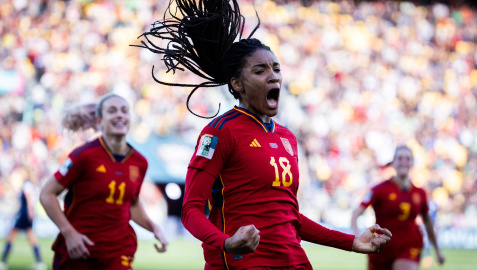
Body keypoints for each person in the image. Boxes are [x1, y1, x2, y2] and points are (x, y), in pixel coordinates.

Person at [136, 1, 392, 269]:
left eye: (276, 69)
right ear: (237, 83)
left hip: (294, 261)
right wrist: (226, 242)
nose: (274, 77)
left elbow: (290, 218)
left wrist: (351, 242)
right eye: (260, 71)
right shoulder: (220, 132)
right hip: (244, 264)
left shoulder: (287, 138)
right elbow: (190, 210)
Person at [39, 93, 168, 270]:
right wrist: (69, 233)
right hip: (78, 251)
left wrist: (154, 228)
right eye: (112, 111)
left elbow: (132, 203)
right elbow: (47, 194)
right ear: (99, 120)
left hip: (117, 253)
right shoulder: (83, 155)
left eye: (124, 111)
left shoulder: (140, 162)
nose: (120, 115)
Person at [351, 145, 445, 270]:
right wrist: (357, 236)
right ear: (393, 163)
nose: (404, 162)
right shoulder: (379, 189)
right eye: (400, 158)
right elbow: (356, 214)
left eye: (407, 158)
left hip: (409, 245)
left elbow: (427, 222)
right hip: (381, 247)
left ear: (412, 163)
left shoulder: (420, 193)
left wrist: (437, 249)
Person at [0, 167, 46, 270]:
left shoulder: (26, 184)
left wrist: (30, 212)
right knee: (31, 237)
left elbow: (29, 199)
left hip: (24, 214)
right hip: (25, 213)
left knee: (11, 236)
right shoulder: (29, 184)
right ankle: (39, 262)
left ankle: (3, 261)